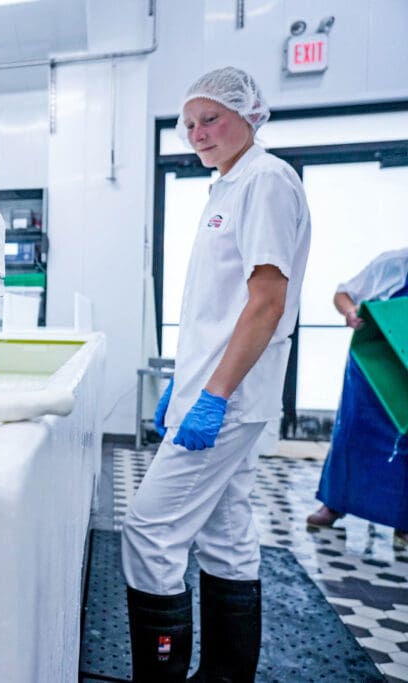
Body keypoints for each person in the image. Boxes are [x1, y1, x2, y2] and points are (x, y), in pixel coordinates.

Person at [123, 66, 311, 682]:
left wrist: (213, 396)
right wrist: (182, 385)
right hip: (213, 389)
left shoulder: (266, 180)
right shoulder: (228, 187)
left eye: (211, 119)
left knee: (150, 528)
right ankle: (225, 676)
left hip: (227, 397)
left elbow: (267, 302)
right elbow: (218, 308)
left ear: (250, 115)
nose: (198, 133)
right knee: (226, 532)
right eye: (189, 124)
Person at [306, 248, 408, 544]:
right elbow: (343, 294)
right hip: (372, 364)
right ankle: (334, 504)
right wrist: (351, 312)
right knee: (352, 433)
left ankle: (404, 522)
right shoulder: (394, 264)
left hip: (405, 374)